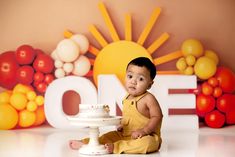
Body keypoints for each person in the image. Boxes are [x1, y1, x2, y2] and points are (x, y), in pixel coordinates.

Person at [69, 57, 163, 154]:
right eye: (130, 76)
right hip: (124, 134)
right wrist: (121, 125)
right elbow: (130, 117)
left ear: (150, 84)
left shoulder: (148, 98)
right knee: (108, 136)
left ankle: (116, 147)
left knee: (148, 143)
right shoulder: (127, 97)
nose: (133, 81)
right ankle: (87, 143)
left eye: (141, 79)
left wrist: (144, 131)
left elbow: (157, 116)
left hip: (145, 136)